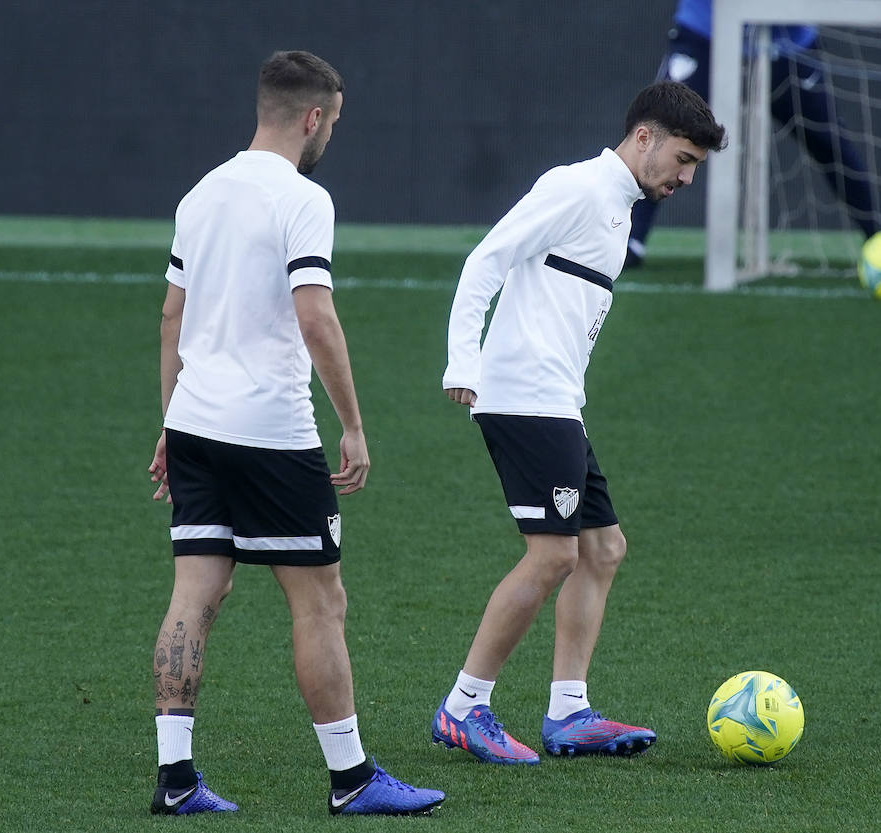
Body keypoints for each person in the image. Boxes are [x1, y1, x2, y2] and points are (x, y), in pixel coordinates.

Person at [145, 50, 444, 816]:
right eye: (334, 122)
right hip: (271, 432)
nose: (331, 135)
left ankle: (175, 779)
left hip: (198, 424)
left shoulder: (200, 193)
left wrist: (172, 420)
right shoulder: (303, 198)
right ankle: (351, 778)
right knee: (319, 601)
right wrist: (352, 422)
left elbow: (171, 317)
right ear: (313, 117)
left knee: (194, 594)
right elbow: (316, 316)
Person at [432, 81, 726, 764]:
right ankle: (462, 706)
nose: (684, 178)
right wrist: (461, 361)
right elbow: (487, 260)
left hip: (558, 399)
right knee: (555, 552)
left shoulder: (620, 204)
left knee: (602, 548)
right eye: (682, 160)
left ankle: (568, 711)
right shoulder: (578, 188)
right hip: (525, 397)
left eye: (694, 168)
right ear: (644, 137)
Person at [626, 0, 881, 267]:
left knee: (828, 140)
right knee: (663, 131)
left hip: (786, 41)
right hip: (707, 32)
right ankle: (629, 238)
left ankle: (879, 238)